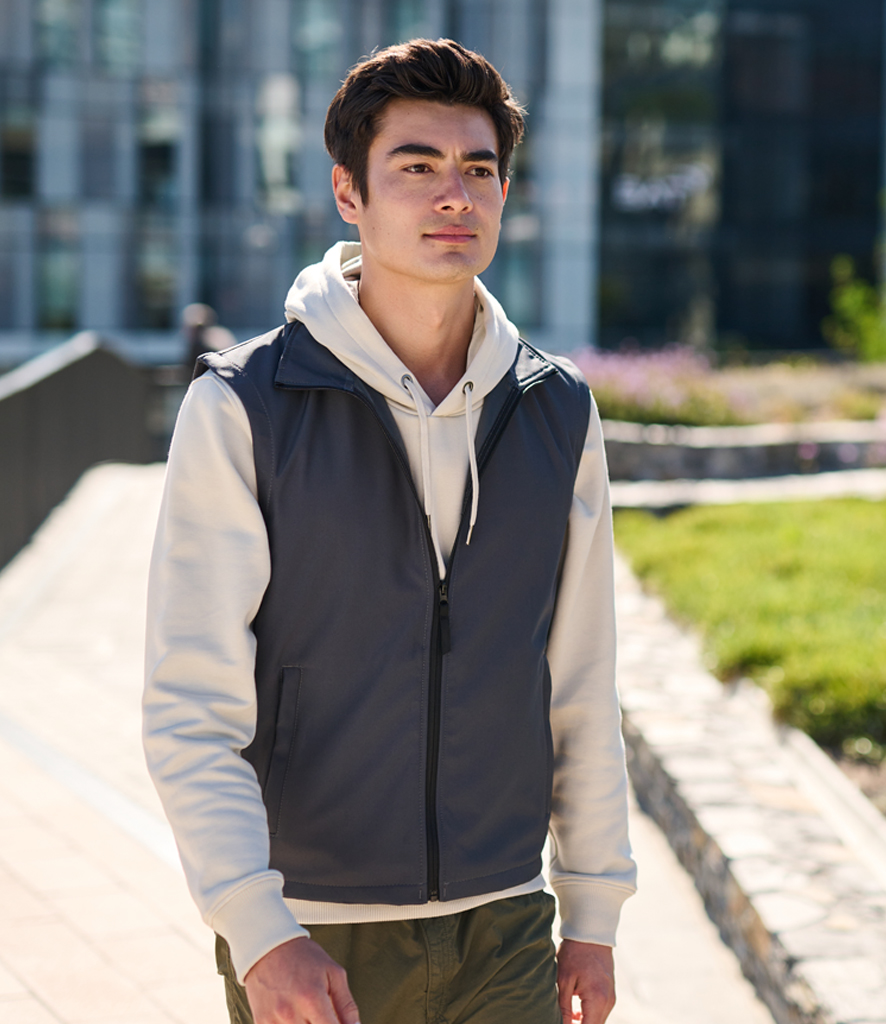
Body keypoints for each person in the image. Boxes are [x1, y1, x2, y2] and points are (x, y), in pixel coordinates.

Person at [143, 37, 636, 1024]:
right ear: (348, 194)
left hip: (505, 925)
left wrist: (592, 908)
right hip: (312, 932)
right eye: (416, 167)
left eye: (478, 170)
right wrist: (258, 929)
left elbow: (580, 680)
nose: (454, 195)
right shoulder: (246, 406)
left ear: (503, 194)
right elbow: (189, 704)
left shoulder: (556, 410)